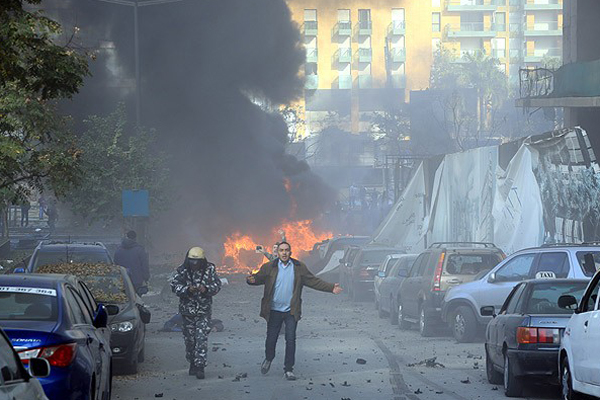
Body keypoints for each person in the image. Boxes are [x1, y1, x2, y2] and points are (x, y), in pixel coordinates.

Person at [246, 242, 343, 380]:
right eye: (281, 250)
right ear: (277, 253)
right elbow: (258, 278)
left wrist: (330, 288)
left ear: (290, 252)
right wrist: (250, 280)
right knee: (271, 338)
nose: (284, 253)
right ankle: (269, 358)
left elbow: (313, 281)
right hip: (273, 310)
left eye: (286, 250)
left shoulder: (299, 267)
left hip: (291, 311)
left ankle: (288, 369)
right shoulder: (269, 267)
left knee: (290, 339)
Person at [170, 247, 221, 379]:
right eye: (192, 261)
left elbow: (217, 285)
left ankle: (200, 366)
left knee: (201, 339)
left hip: (203, 311)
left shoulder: (209, 270)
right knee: (190, 340)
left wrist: (206, 289)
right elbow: (174, 286)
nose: (194, 264)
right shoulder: (182, 271)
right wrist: (187, 289)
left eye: (197, 261)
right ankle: (192, 361)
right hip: (187, 312)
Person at [114, 230, 150, 294]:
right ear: (135, 238)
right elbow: (144, 265)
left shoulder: (118, 250)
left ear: (127, 237)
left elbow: (115, 265)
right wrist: (146, 277)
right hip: (137, 281)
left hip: (123, 281)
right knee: (137, 300)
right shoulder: (140, 250)